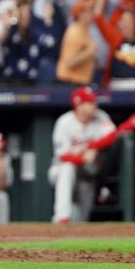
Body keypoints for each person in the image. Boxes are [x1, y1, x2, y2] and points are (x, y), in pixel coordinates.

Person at [49, 87, 116, 223]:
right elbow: (63, 156)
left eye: (94, 101)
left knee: (82, 218)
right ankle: (62, 217)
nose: (94, 105)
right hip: (61, 170)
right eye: (90, 102)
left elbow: (113, 136)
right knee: (67, 168)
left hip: (88, 172)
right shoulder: (65, 122)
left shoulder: (101, 117)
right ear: (78, 105)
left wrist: (90, 147)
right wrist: (82, 157)